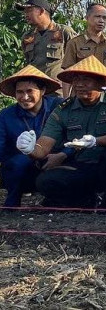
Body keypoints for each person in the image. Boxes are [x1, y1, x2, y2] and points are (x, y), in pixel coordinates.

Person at [15, 56, 106, 209]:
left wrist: (95, 141)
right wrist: (30, 149)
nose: (79, 85)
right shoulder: (64, 109)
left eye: (86, 80)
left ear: (101, 82)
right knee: (44, 181)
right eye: (76, 80)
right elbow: (44, 145)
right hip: (82, 166)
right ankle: (85, 200)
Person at [0, 66, 62, 207]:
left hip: (55, 161)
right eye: (19, 92)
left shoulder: (59, 107)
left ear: (43, 91)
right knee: (14, 164)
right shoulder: (6, 115)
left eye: (30, 91)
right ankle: (13, 198)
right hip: (23, 167)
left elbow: (74, 137)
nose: (25, 97)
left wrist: (63, 154)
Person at [16, 0, 77, 81]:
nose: (26, 15)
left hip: (58, 90)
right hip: (36, 89)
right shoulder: (27, 37)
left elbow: (77, 60)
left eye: (29, 10)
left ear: (41, 11)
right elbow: (28, 63)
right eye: (25, 12)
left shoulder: (64, 32)